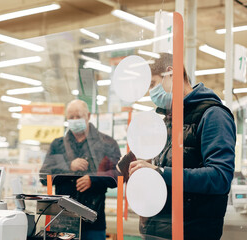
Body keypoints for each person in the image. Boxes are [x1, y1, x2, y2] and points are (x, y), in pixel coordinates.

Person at [118, 53, 236, 240]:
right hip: (160, 230)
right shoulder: (168, 121)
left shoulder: (213, 115)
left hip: (192, 232)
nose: (151, 93)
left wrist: (160, 171)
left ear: (171, 73)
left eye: (152, 84)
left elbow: (220, 178)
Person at [40, 99, 121, 240]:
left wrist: (94, 180)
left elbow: (118, 175)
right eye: (71, 117)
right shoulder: (57, 145)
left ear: (88, 116)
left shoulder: (107, 143)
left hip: (93, 221)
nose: (75, 120)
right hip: (62, 220)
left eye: (79, 116)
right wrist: (68, 166)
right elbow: (44, 175)